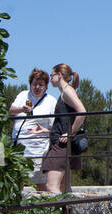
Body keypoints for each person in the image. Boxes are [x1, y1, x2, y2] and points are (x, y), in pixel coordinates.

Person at [8, 69, 56, 191]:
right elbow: (10, 111)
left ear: (46, 87)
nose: (37, 87)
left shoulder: (51, 101)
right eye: (34, 84)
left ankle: (45, 208)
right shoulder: (23, 95)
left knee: (40, 183)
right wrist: (21, 110)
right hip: (19, 149)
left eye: (41, 84)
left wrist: (42, 130)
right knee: (18, 181)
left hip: (38, 151)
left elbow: (54, 127)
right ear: (30, 84)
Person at [44, 63, 86, 194]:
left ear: (59, 75)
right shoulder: (65, 92)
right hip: (63, 143)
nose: (50, 79)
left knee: (51, 186)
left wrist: (70, 132)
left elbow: (82, 112)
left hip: (61, 145)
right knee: (64, 188)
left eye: (52, 75)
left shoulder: (67, 91)